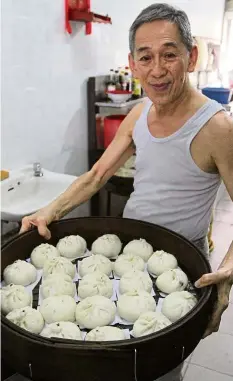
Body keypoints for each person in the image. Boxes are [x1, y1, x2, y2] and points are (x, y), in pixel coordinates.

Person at [20, 3, 233, 380]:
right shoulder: (138, 114)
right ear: (132, 64)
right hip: (126, 252)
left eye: (170, 55)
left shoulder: (217, 128)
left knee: (157, 366)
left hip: (180, 263)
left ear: (192, 56)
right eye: (146, 57)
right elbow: (97, 175)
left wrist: (229, 271)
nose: (157, 70)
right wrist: (48, 211)